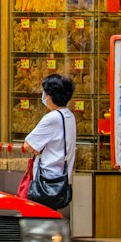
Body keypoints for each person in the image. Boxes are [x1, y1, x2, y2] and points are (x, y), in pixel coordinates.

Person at [24, 73, 77, 209]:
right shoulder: (69, 116)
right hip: (62, 178)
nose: (43, 96)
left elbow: (28, 145)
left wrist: (37, 149)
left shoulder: (52, 118)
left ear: (50, 96)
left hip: (46, 180)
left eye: (45, 92)